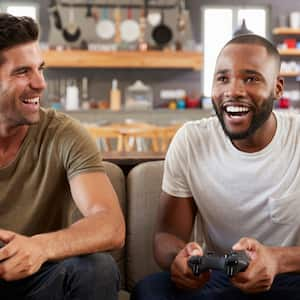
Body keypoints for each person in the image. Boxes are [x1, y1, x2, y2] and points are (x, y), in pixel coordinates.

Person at [131, 33, 300, 300]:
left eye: (251, 78)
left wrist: (278, 260)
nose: (233, 91)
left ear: (277, 88)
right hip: (220, 276)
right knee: (150, 290)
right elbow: (167, 235)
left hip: (290, 276)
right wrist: (180, 258)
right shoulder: (191, 140)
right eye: (223, 78)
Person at [0, 13, 125, 299]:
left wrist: (40, 247)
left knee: (98, 268)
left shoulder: (64, 134)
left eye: (40, 69)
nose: (40, 83)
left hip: (40, 277)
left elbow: (111, 224)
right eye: (23, 72)